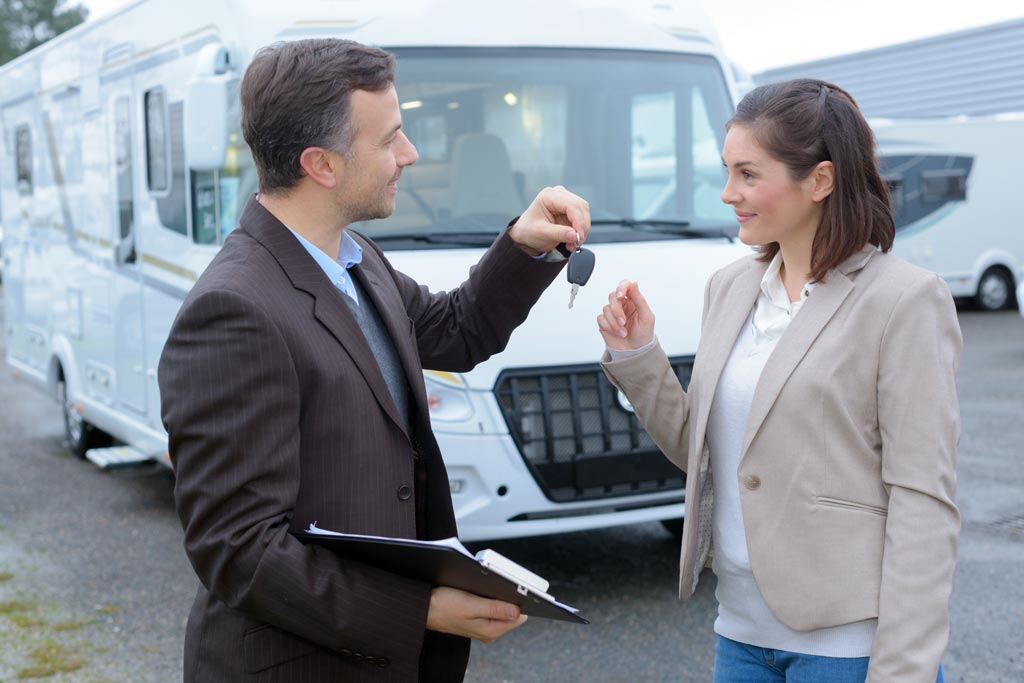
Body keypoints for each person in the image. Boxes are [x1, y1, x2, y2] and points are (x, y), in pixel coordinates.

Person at [158, 39, 590, 683]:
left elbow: (455, 331)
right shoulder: (233, 310)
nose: (409, 154)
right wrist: (422, 610)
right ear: (322, 165)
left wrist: (522, 247)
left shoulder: (352, 257)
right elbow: (238, 549)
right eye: (390, 139)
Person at [597, 79, 960, 682]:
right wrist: (640, 357)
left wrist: (904, 670)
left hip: (848, 649)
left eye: (747, 174)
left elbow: (924, 501)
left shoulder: (904, 300)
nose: (727, 193)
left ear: (819, 180)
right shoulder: (730, 288)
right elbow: (706, 454)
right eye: (726, 171)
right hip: (738, 637)